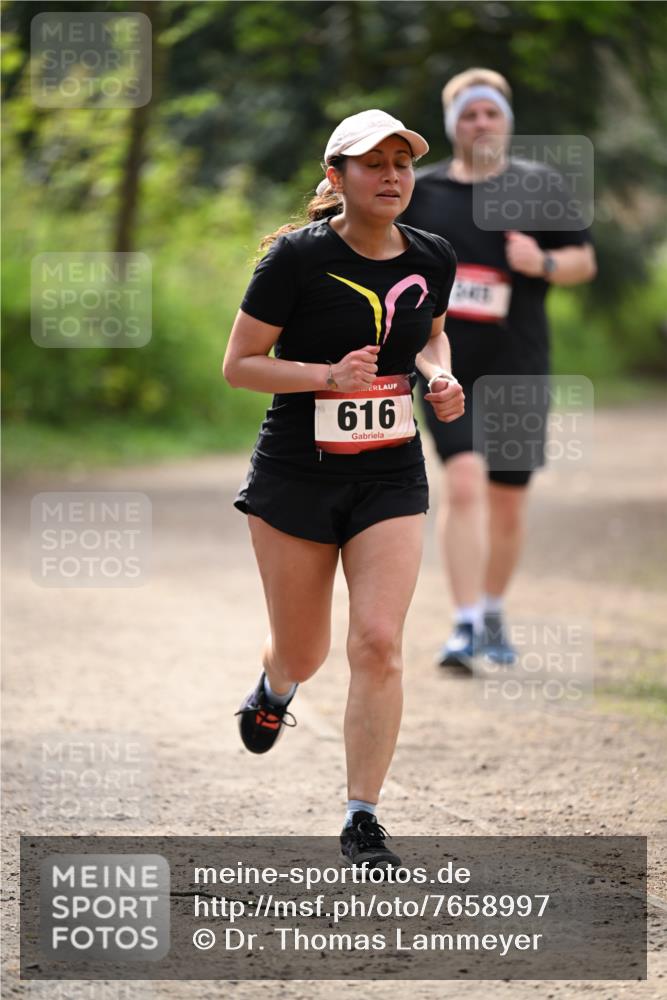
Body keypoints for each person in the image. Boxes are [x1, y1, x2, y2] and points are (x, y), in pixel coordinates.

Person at [222, 109, 464, 868]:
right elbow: (240, 364)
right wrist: (324, 376)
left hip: (389, 470)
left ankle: (362, 819)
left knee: (380, 642)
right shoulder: (294, 259)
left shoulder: (432, 254)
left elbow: (429, 332)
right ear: (336, 178)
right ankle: (274, 686)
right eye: (373, 163)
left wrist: (438, 373)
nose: (391, 175)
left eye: (402, 162)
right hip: (297, 469)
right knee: (306, 650)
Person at [400, 68, 596, 672]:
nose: (480, 123)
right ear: (452, 123)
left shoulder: (538, 186)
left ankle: (491, 611)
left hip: (518, 363)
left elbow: (583, 261)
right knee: (461, 480)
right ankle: (461, 627)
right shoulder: (424, 191)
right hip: (443, 362)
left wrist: (539, 260)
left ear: (505, 121)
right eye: (468, 114)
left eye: (490, 113)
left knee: (507, 499)